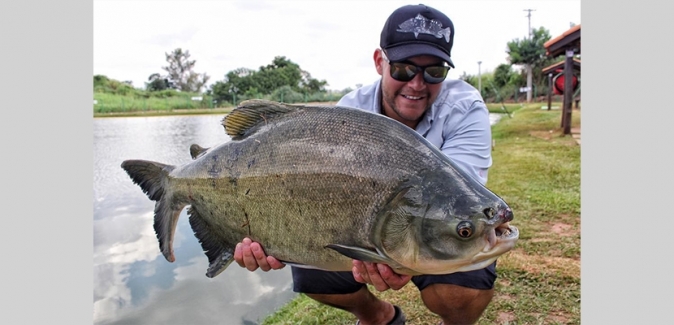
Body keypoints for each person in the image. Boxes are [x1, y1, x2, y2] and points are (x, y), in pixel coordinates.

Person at [234, 4, 496, 325]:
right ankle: (379, 316)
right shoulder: (350, 114)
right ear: (379, 62)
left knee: (461, 290)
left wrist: (402, 261)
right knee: (312, 276)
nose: (416, 84)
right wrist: (280, 235)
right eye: (402, 69)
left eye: (434, 72)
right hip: (368, 231)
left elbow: (461, 201)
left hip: (428, 229)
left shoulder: (465, 108)